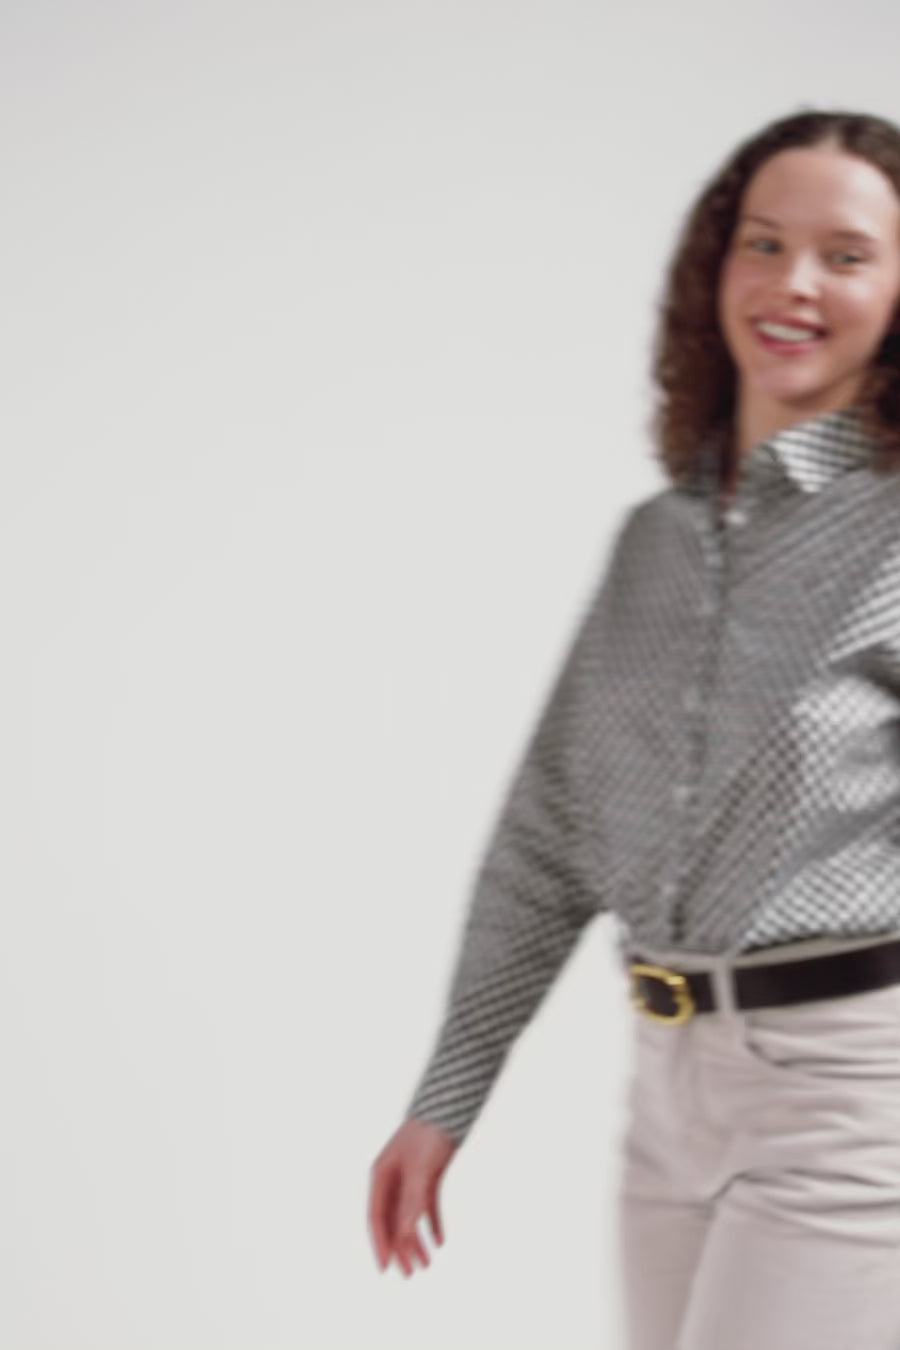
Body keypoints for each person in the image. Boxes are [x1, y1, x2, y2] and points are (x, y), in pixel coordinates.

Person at [368, 106, 900, 1348]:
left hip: (851, 1094)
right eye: (763, 243)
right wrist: (447, 1097)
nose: (794, 283)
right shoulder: (654, 544)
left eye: (846, 255)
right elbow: (549, 835)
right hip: (668, 1096)